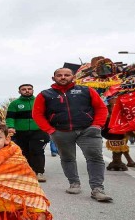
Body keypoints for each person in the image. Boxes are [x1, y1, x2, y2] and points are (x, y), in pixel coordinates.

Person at [32, 68, 112, 202]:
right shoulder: (45, 95)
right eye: (59, 75)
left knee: (95, 158)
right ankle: (74, 183)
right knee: (67, 158)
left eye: (67, 75)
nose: (63, 77)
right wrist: (50, 130)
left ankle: (98, 189)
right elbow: (37, 114)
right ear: (54, 78)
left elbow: (101, 108)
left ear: (73, 77)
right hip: (61, 132)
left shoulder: (86, 90)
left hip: (88, 130)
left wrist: (97, 125)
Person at [6, 84, 49, 182]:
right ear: (19, 91)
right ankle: (28, 171)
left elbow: (49, 115)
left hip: (39, 131)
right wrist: (11, 127)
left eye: (29, 89)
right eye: (24, 89)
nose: (27, 91)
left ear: (33, 90)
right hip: (20, 132)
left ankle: (39, 172)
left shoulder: (40, 101)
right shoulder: (14, 103)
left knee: (37, 151)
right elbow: (10, 117)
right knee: (24, 152)